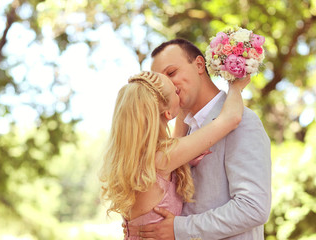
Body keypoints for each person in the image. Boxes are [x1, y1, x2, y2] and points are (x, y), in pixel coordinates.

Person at [134, 39, 272, 240]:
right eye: (160, 81)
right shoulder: (182, 133)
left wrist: (180, 229)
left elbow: (253, 208)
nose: (167, 86)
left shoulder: (242, 122)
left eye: (171, 73)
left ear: (200, 65)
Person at [100, 70, 250, 240]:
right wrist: (236, 87)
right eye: (175, 92)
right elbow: (231, 118)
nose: (178, 88)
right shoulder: (164, 157)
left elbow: (178, 135)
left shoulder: (141, 158)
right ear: (168, 114)